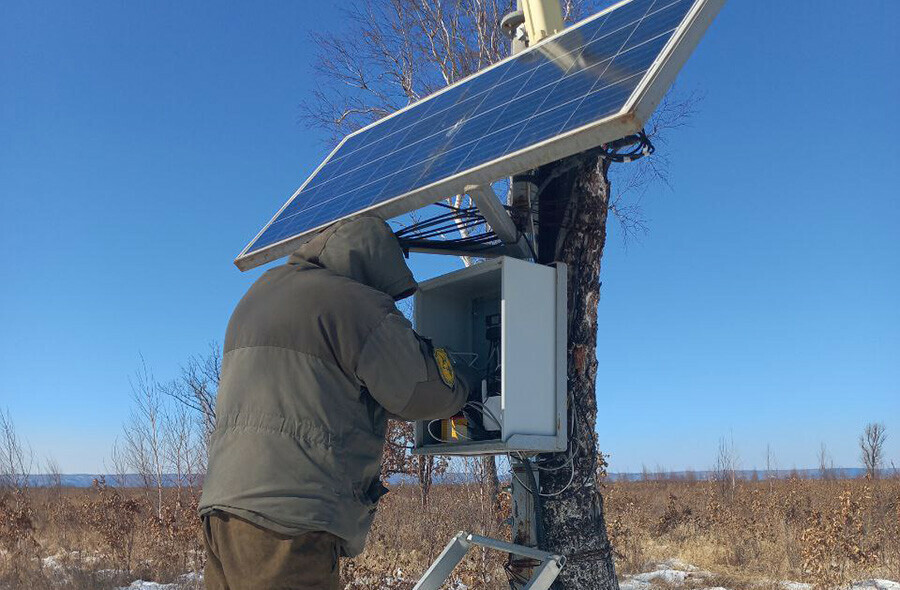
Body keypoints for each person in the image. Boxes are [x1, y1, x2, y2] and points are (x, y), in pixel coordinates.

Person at [198, 216, 470, 590]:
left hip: (222, 509)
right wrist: (463, 383)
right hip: (289, 520)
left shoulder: (260, 294)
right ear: (377, 265)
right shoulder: (355, 302)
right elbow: (419, 392)